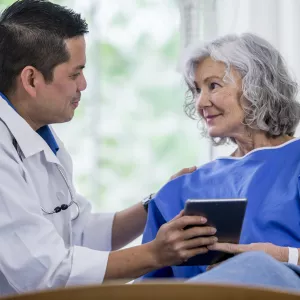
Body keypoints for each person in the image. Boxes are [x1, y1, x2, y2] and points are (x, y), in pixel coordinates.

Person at [0, 0, 221, 296]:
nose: (84, 84)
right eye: (75, 73)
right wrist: (156, 254)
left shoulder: (43, 140)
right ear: (31, 79)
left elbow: (78, 233)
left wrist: (156, 202)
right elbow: (48, 272)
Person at [141, 32, 300, 280]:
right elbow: (147, 288)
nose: (200, 102)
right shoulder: (180, 190)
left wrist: (283, 256)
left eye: (213, 85)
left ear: (257, 85)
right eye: (196, 90)